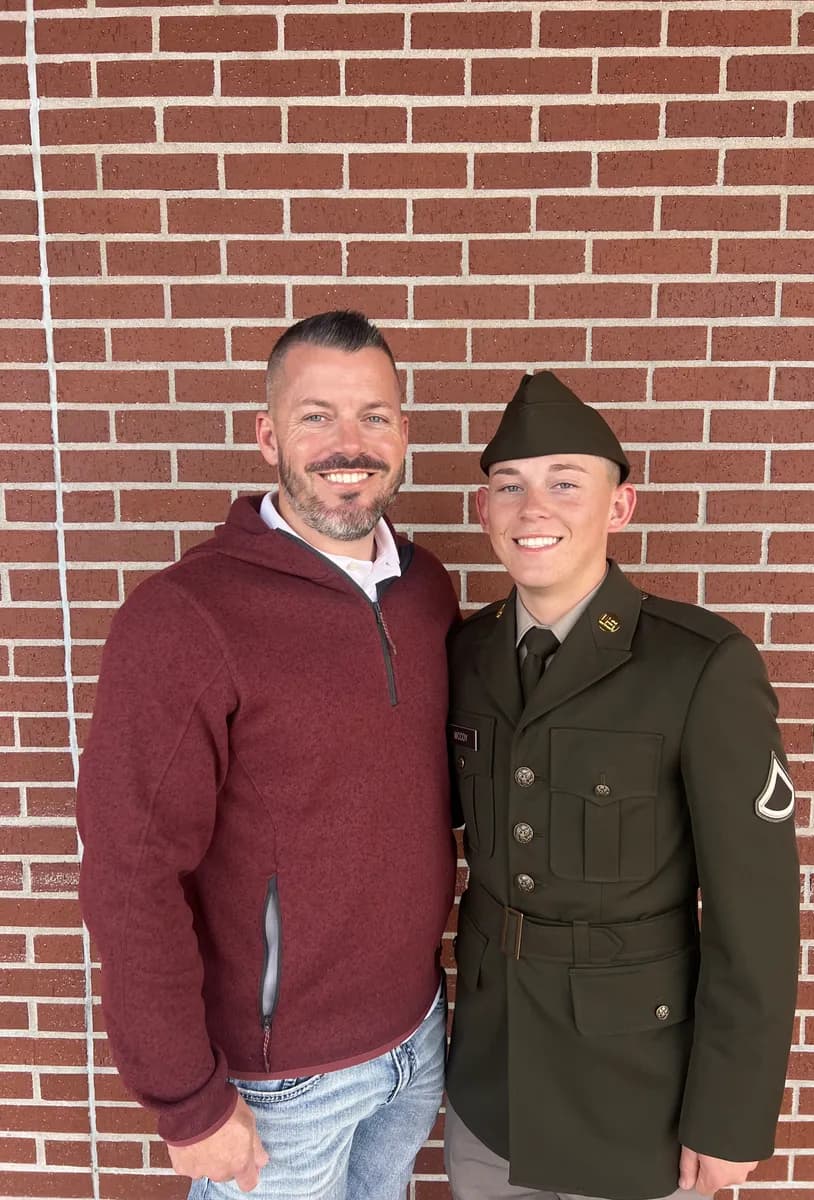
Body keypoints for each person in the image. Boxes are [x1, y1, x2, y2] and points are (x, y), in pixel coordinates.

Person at [76, 311, 460, 1200]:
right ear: (267, 436)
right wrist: (186, 1100)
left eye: (374, 415)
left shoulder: (427, 590)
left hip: (415, 1041)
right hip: (281, 1084)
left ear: (403, 432)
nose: (348, 443)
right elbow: (131, 873)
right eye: (316, 415)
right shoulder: (184, 617)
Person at [443, 370, 800, 1200]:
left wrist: (731, 1116)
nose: (535, 511)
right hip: (493, 1082)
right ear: (484, 512)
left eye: (566, 484)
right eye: (510, 487)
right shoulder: (465, 657)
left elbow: (757, 917)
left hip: (638, 1096)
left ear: (619, 507)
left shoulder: (699, 666)